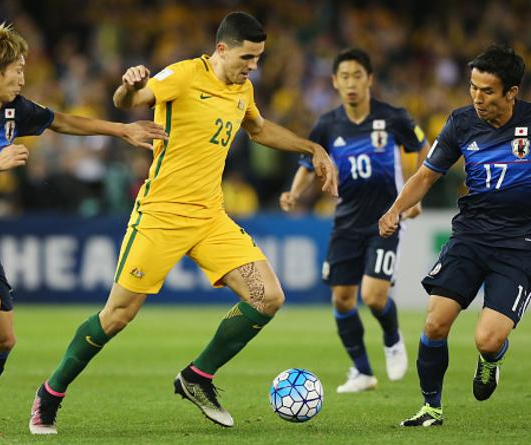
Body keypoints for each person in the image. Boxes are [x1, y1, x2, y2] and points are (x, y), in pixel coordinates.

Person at [29, 11, 336, 434]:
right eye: (248, 57)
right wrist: (129, 85)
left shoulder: (242, 89)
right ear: (222, 49)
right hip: (160, 214)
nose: (254, 66)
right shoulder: (184, 76)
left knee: (267, 296)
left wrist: (312, 147)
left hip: (210, 217)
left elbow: (260, 130)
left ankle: (197, 377)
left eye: (259, 58)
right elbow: (130, 101)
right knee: (117, 315)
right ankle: (50, 393)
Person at [0, 23, 167, 437]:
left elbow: (62, 121)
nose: (23, 77)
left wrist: (123, 129)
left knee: (3, 338)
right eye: (18, 69)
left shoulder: (13, 110)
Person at [379, 44, 529, 427]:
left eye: (487, 91)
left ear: (512, 92)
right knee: (434, 323)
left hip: (520, 244)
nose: (477, 97)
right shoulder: (461, 123)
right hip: (471, 236)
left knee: (488, 339)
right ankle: (431, 407)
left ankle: (491, 360)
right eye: (473, 87)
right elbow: (427, 175)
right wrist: (395, 209)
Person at [280, 48, 429, 393]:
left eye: (357, 75)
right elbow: (309, 163)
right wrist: (294, 192)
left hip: (385, 219)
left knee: (374, 296)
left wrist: (416, 195)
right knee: (342, 300)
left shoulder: (393, 117)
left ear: (369, 79)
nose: (350, 83)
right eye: (343, 76)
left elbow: (425, 149)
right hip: (345, 222)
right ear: (334, 82)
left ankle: (392, 340)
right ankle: (362, 372)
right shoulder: (328, 124)